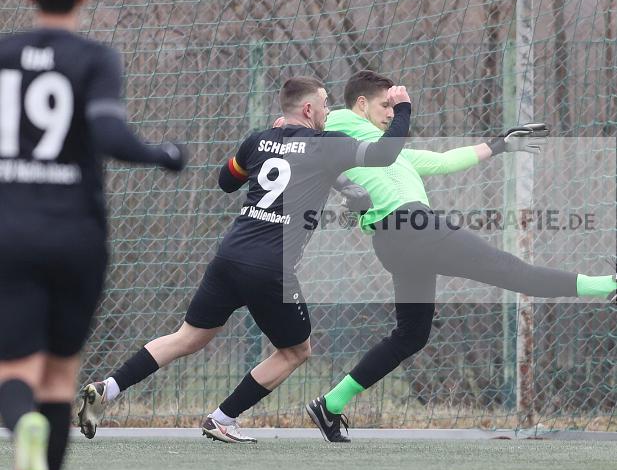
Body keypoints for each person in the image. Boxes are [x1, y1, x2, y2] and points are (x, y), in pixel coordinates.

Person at [304, 70, 617, 442]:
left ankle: (330, 404)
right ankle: (615, 286)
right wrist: (400, 108)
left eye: (393, 108)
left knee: (411, 336)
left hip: (397, 240)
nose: (391, 114)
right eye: (384, 106)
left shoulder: (383, 150)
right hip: (412, 228)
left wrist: (501, 145)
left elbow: (443, 161)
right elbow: (318, 134)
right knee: (511, 271)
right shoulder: (343, 122)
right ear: (360, 104)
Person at [77, 77, 412, 444]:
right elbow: (385, 155)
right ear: (308, 109)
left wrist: (276, 146)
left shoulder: (258, 140)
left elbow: (226, 180)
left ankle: (108, 388)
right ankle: (223, 418)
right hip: (271, 269)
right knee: (296, 351)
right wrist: (402, 108)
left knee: (187, 337)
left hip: (229, 256)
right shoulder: (327, 144)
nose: (328, 111)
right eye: (324, 104)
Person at [0, 0, 188, 470]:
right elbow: (109, 136)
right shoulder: (96, 59)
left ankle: (22, 427)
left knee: (15, 372)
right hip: (77, 238)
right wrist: (164, 154)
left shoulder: (4, 55)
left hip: (10, 235)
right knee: (60, 377)